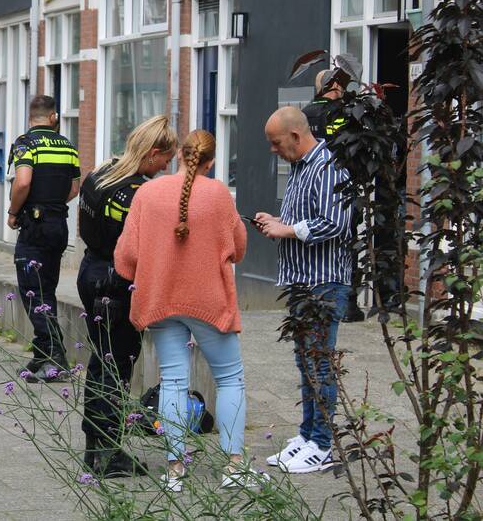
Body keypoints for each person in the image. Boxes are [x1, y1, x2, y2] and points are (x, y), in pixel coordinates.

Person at [115, 129, 261, 491]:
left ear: (179, 153)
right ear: (210, 161)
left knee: (174, 382)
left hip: (161, 300)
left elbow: (126, 257)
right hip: (208, 301)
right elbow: (238, 248)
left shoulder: (147, 194)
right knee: (230, 379)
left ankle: (175, 470)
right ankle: (234, 466)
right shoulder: (219, 195)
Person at [255, 107, 353, 474]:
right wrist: (279, 222)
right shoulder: (300, 167)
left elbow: (336, 223)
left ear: (296, 136)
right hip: (301, 281)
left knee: (319, 363)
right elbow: (306, 219)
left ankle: (324, 444)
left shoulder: (327, 167)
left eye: (276, 143)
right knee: (305, 361)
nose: (273, 150)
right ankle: (308, 435)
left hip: (323, 283)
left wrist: (288, 230)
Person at [77, 116, 177, 478]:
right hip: (116, 285)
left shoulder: (100, 172)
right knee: (115, 368)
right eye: (165, 159)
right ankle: (107, 454)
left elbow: (84, 224)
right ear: (152, 153)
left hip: (89, 271)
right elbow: (142, 250)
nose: (167, 166)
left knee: (99, 363)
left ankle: (96, 446)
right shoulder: (139, 193)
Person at [7, 95, 80, 382]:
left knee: (32, 292)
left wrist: (14, 212)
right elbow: (74, 188)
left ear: (31, 117)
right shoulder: (68, 146)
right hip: (58, 226)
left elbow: (23, 181)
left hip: (34, 228)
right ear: (54, 117)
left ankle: (56, 357)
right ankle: (42, 353)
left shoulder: (26, 143)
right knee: (46, 289)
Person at [303, 69, 364, 323]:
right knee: (347, 241)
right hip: (342, 187)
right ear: (335, 85)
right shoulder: (343, 113)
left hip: (310, 186)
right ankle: (348, 303)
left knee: (314, 236)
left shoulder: (305, 113)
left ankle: (313, 296)